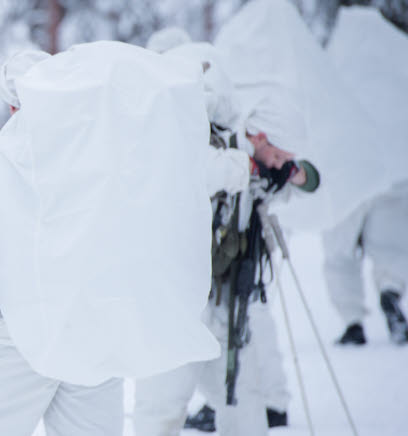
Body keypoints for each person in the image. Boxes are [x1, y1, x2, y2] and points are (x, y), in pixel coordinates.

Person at [132, 39, 319, 435]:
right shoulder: (197, 142)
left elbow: (308, 181)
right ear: (262, 135)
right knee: (161, 408)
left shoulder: (251, 156)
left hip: (224, 304)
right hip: (175, 303)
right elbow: (197, 170)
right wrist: (250, 167)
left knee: (245, 404)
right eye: (280, 156)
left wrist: (285, 172)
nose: (282, 165)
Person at [0, 48, 126, 436]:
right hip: (95, 330)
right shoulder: (103, 157)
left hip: (21, 335)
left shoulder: (0, 156)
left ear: (12, 105)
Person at [325, 180, 408, 345]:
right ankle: (390, 289)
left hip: (343, 186)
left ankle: (353, 322)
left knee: (340, 257)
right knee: (391, 251)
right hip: (390, 181)